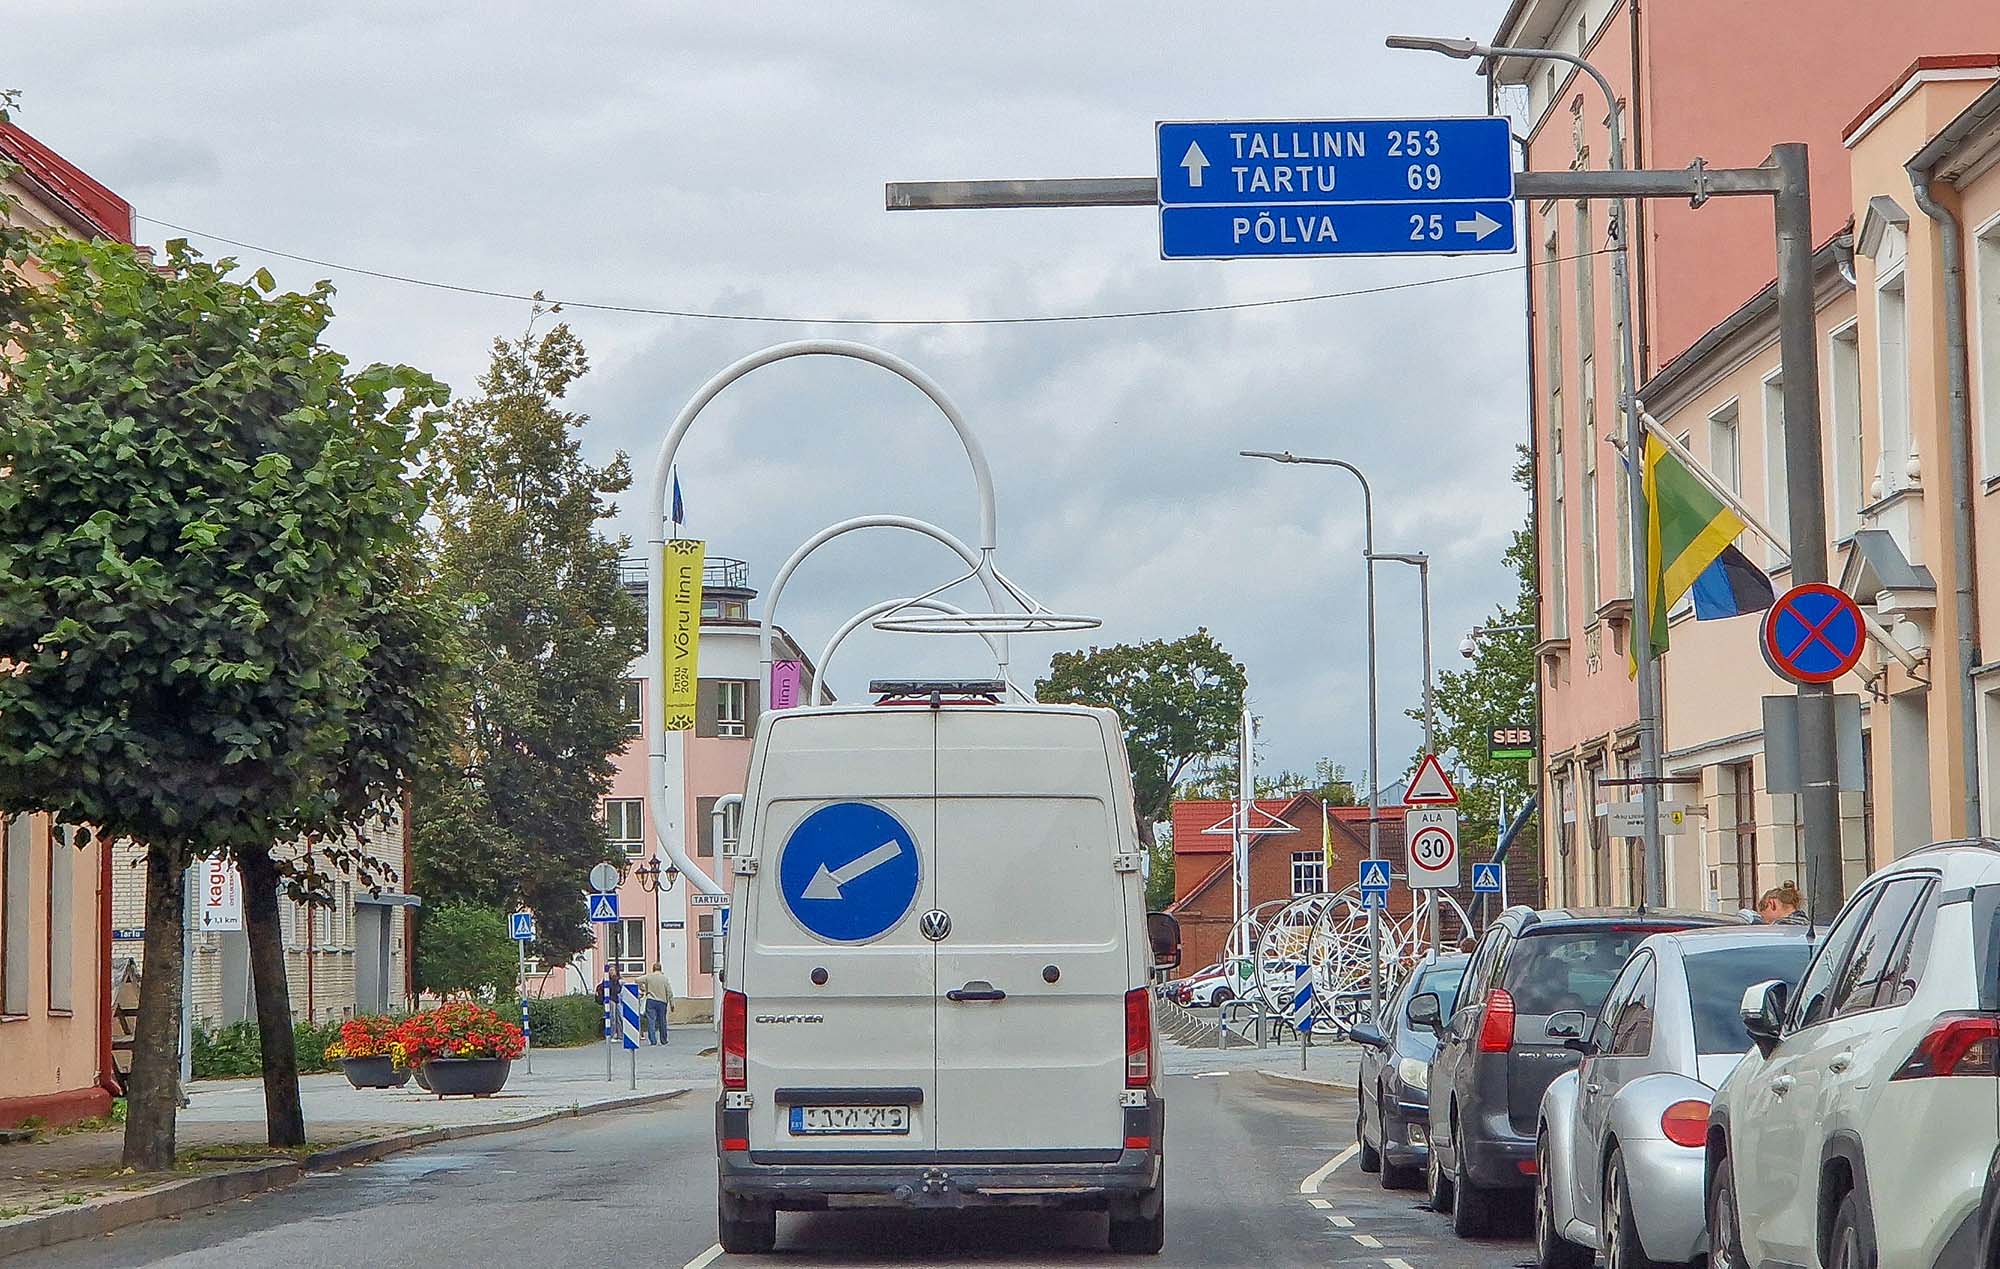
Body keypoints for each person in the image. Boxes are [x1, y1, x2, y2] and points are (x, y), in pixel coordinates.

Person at [639, 961, 675, 1045]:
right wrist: (672, 1004)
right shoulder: (664, 978)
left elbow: (637, 980)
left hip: (651, 1000)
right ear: (661, 969)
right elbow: (669, 992)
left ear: (653, 969)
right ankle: (663, 1040)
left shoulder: (648, 977)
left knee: (651, 1021)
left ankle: (653, 1040)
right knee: (662, 1021)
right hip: (662, 1002)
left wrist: (643, 988)